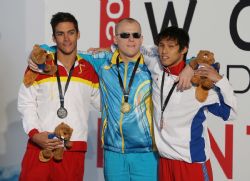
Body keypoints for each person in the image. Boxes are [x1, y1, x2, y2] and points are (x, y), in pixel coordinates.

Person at [142, 26, 237, 181]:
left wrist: (220, 80)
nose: (164, 51)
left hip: (191, 164)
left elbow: (230, 114)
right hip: (165, 162)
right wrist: (108, 49)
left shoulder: (199, 82)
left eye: (171, 46)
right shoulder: (156, 63)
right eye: (161, 45)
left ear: (183, 49)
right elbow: (132, 46)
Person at [18, 12, 100, 181]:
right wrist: (34, 134)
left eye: (71, 32)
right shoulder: (40, 65)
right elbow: (26, 103)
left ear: (78, 34)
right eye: (60, 34)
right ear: (54, 38)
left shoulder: (90, 69)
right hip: (40, 146)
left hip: (73, 149)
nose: (66, 39)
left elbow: (104, 104)